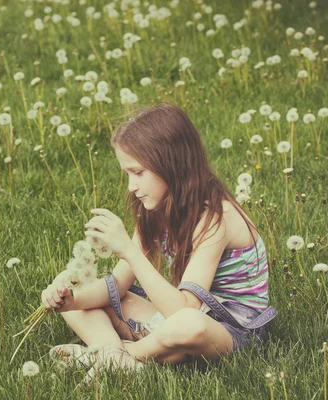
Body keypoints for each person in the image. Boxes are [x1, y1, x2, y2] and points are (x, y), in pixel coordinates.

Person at [41, 103, 277, 378]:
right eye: (127, 174)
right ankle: (118, 356)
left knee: (189, 325)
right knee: (85, 296)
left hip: (229, 330)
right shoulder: (153, 208)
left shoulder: (217, 217)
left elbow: (184, 311)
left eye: (139, 173)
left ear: (172, 164)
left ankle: (116, 355)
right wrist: (71, 301)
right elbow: (118, 285)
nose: (131, 186)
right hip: (175, 318)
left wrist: (130, 251)